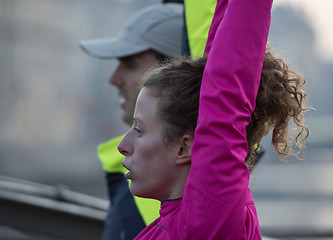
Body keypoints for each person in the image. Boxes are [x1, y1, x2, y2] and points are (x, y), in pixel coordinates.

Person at [118, 0, 309, 239]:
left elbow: (226, 89)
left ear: (185, 148)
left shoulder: (205, 223)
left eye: (139, 130)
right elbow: (214, 70)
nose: (122, 146)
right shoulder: (180, 221)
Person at [79, 3, 184, 240]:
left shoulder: (162, 179)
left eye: (129, 64)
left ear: (174, 75)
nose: (113, 78)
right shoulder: (147, 170)